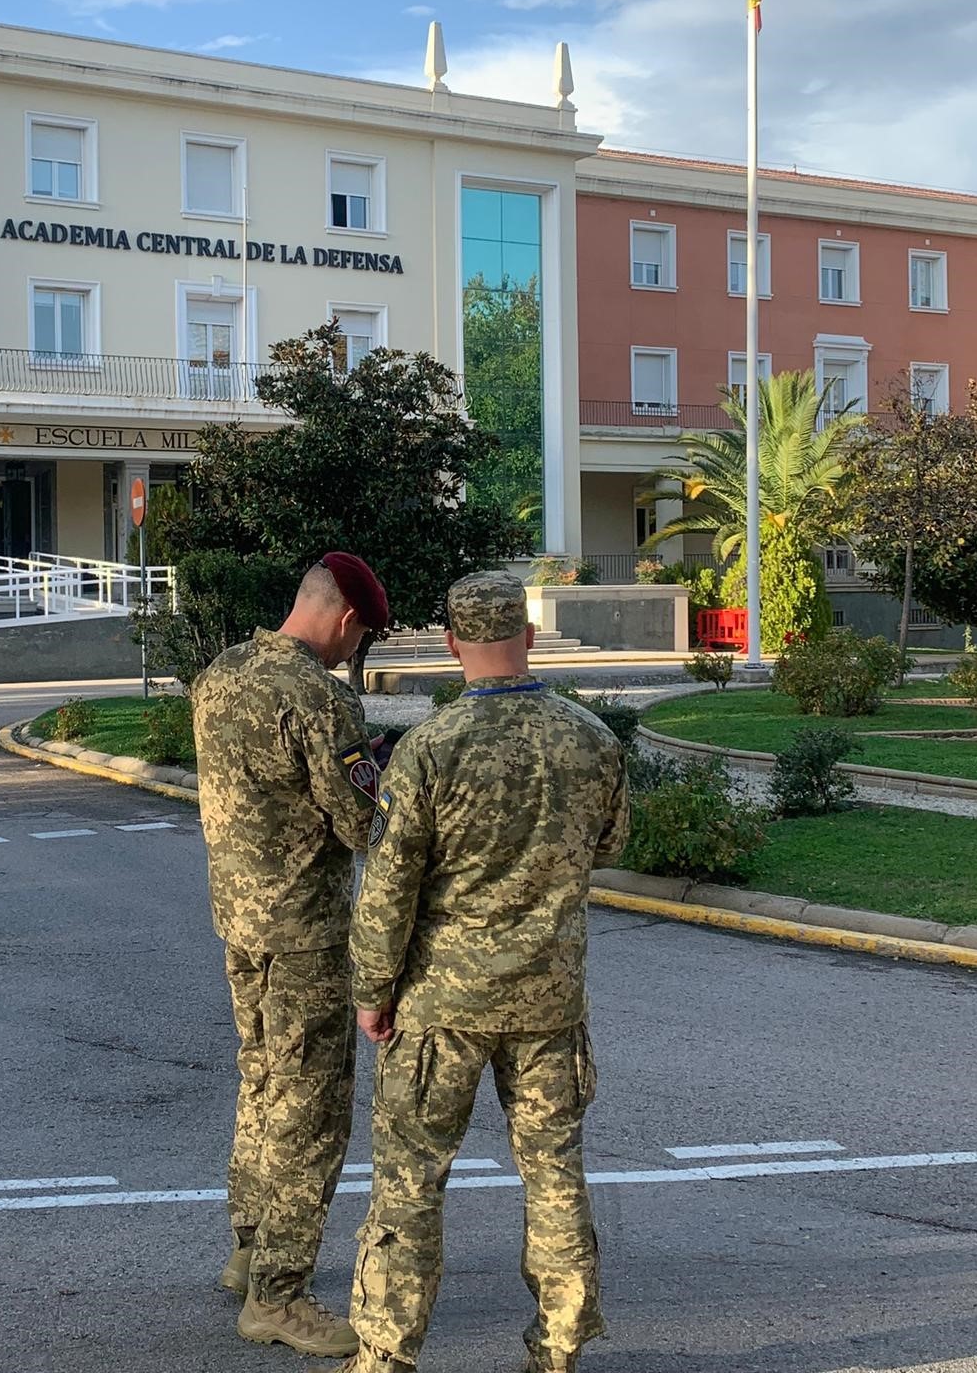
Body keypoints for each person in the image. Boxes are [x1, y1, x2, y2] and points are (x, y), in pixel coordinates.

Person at [345, 570, 628, 1373]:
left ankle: (386, 1355)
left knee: (409, 1181)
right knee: (553, 1173)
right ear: (529, 638)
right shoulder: (591, 738)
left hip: (442, 1003)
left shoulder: (431, 749)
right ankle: (562, 1344)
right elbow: (608, 846)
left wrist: (372, 993)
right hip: (549, 1001)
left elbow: (389, 888)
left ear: (452, 644)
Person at [191, 552, 389, 1359]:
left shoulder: (221, 672)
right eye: (362, 638)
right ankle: (279, 1295)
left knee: (263, 1081)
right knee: (311, 1113)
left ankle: (249, 1247)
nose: (354, 652)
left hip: (238, 922)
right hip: (306, 932)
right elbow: (361, 824)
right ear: (346, 621)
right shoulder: (319, 697)